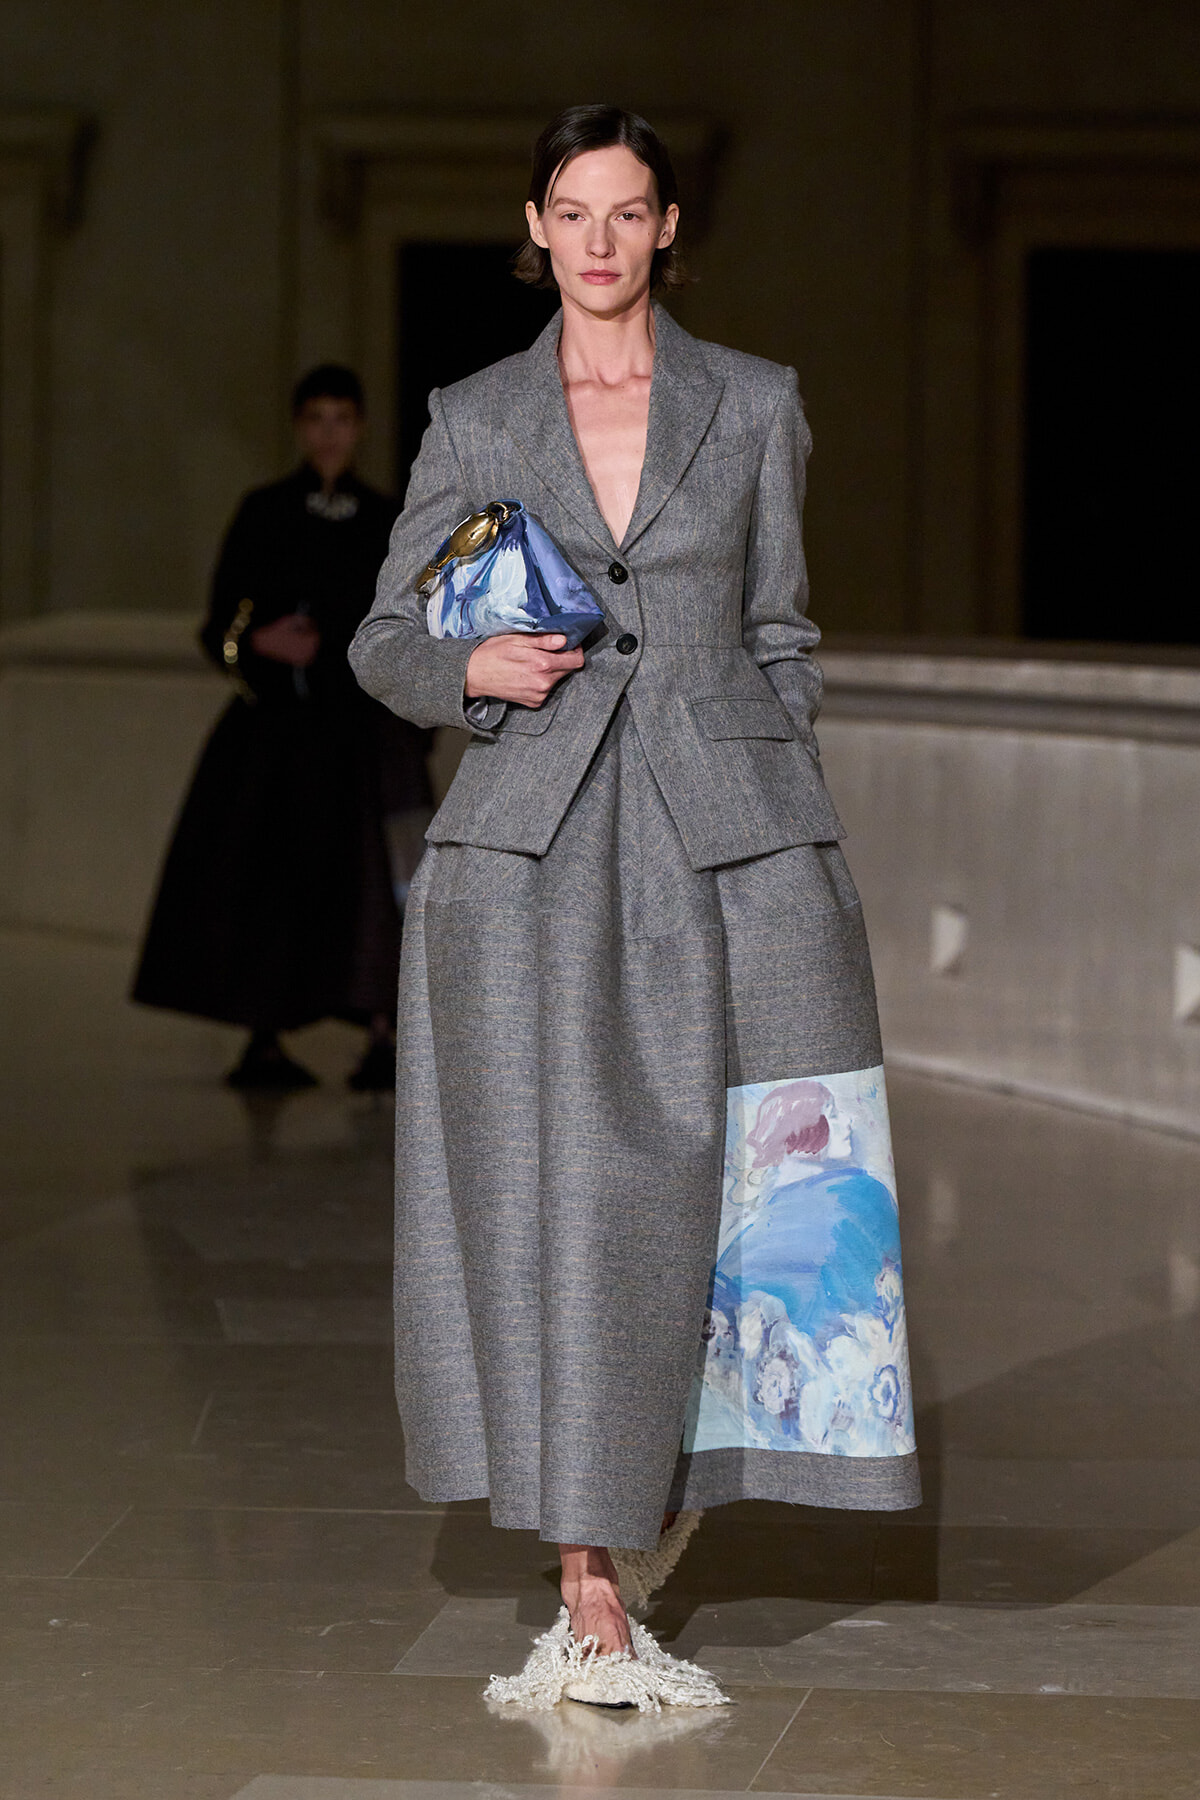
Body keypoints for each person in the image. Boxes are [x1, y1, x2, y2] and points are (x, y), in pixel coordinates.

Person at [350, 106, 920, 1705]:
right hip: (530, 844)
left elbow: (781, 634)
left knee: (754, 1176)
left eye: (627, 212)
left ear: (669, 227)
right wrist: (471, 665)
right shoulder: (476, 413)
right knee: (563, 1195)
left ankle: (656, 1489)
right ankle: (588, 1581)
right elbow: (386, 638)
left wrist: (780, 809)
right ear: (534, 227)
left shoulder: (755, 402)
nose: (597, 241)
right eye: (571, 211)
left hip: (729, 837)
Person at [134, 365, 432, 1091]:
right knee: (266, 871)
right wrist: (260, 643)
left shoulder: (386, 517)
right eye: (316, 419)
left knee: (379, 879)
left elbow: (413, 619)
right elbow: (221, 624)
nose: (329, 434)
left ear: (359, 428)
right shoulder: (265, 511)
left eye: (342, 419)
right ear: (299, 427)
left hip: (362, 732)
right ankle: (263, 1036)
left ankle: (383, 1034)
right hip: (279, 733)